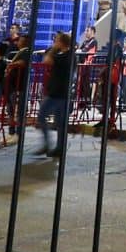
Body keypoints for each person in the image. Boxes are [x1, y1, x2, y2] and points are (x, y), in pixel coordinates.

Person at [37, 30, 75, 159]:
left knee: (42, 116)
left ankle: (49, 144)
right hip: (61, 92)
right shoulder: (69, 55)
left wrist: (53, 49)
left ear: (62, 43)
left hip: (57, 93)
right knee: (60, 122)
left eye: (57, 41)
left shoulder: (64, 56)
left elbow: (46, 60)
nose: (54, 42)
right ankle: (59, 148)